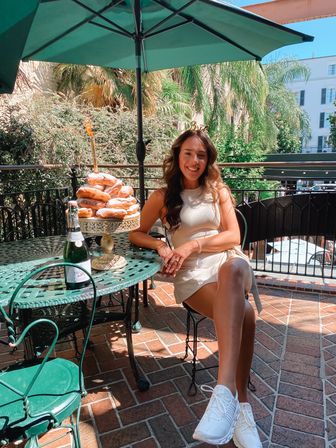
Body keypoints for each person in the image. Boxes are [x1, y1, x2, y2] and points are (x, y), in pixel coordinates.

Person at [129, 128, 262, 447]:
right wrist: (162, 247)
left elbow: (232, 236)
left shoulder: (219, 191)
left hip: (227, 262)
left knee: (234, 267)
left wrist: (191, 246)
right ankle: (241, 407)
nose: (194, 160)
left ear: (208, 160)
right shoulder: (161, 197)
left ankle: (222, 393)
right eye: (188, 153)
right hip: (193, 278)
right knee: (246, 314)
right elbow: (136, 233)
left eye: (201, 155)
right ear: (177, 156)